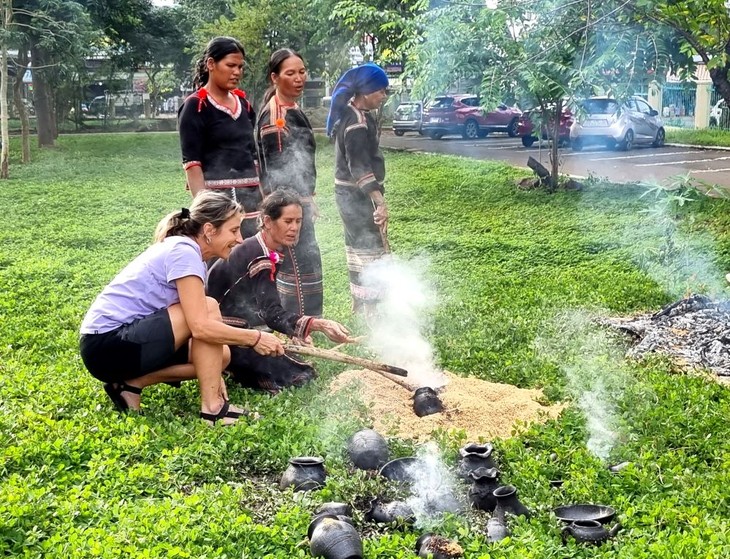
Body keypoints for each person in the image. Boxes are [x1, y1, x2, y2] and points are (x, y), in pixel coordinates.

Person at [79, 191, 284, 424]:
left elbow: (205, 325)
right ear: (209, 230)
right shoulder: (184, 253)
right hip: (106, 347)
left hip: (120, 344)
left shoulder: (187, 251)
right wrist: (255, 338)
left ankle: (130, 384)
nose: (239, 239)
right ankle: (213, 409)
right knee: (206, 311)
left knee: (221, 356)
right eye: (234, 230)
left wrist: (214, 377)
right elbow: (200, 327)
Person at [206, 190, 352, 394]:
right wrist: (320, 324)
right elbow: (272, 314)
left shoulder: (261, 248)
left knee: (294, 365)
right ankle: (231, 365)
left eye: (299, 221)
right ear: (267, 221)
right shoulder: (260, 256)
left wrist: (298, 329)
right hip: (225, 332)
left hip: (238, 327)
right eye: (288, 221)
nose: (294, 228)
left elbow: (263, 307)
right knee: (301, 375)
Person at [256, 48, 323, 317]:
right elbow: (279, 175)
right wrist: (294, 212)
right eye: (290, 73)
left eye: (302, 72)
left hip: (299, 203)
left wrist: (310, 199)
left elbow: (302, 165)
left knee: (305, 262)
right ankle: (300, 327)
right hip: (287, 209)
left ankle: (306, 324)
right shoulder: (275, 119)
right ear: (275, 77)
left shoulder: (292, 109)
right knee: (298, 264)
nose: (299, 78)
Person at [178, 36, 263, 238]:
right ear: (210, 64)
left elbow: (252, 154)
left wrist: (263, 196)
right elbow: (192, 164)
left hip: (252, 203)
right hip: (218, 205)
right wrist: (204, 213)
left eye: (240, 67)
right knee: (222, 263)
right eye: (231, 65)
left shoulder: (244, 105)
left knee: (253, 259)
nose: (237, 72)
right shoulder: (196, 106)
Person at [325, 63, 390, 314]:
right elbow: (359, 167)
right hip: (356, 196)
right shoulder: (356, 123)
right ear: (366, 91)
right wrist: (379, 201)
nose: (383, 96)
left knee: (356, 246)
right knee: (369, 248)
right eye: (381, 91)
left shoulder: (356, 115)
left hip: (349, 196)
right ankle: (370, 309)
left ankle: (358, 302)